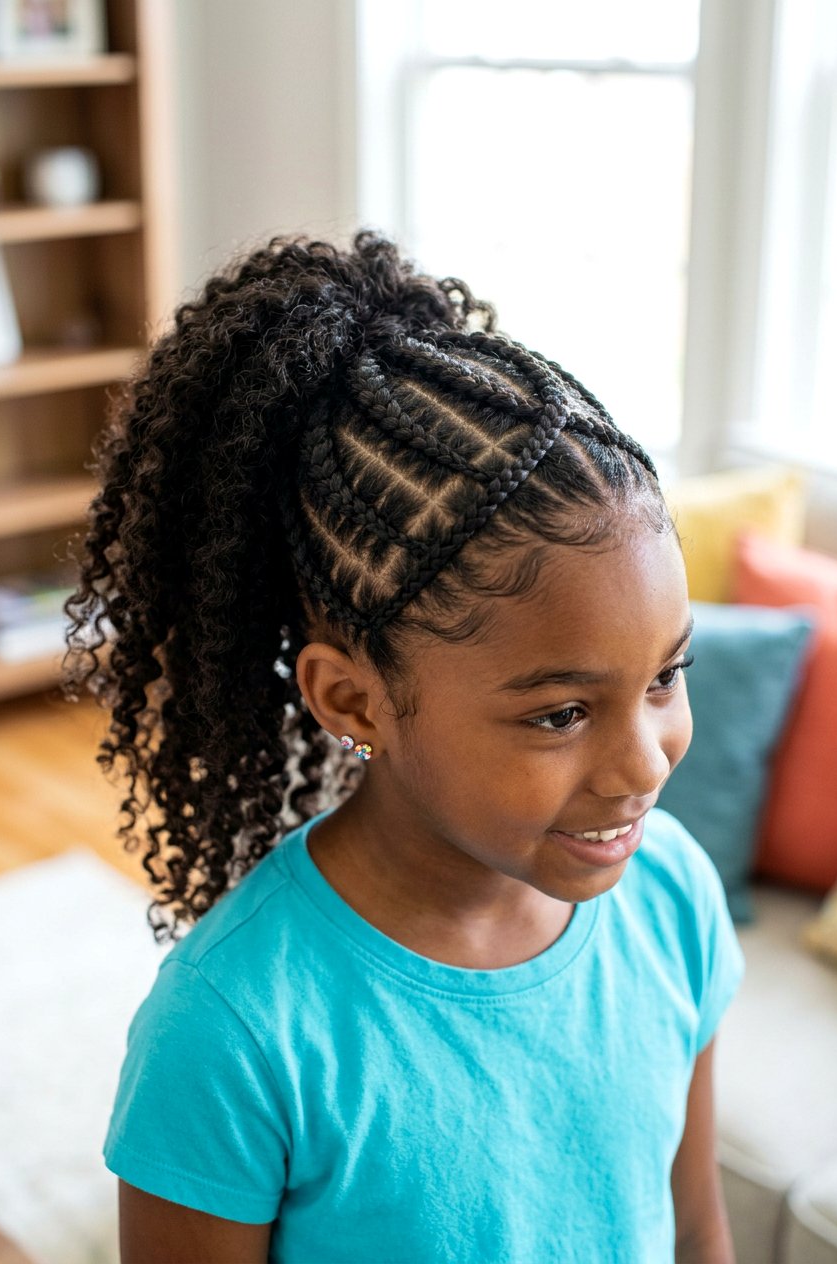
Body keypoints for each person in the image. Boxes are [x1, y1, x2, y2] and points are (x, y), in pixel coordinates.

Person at [65, 231, 744, 1264]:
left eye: (664, 676)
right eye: (561, 714)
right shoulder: (232, 1031)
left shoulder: (674, 899)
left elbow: (695, 1229)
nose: (646, 763)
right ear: (353, 700)